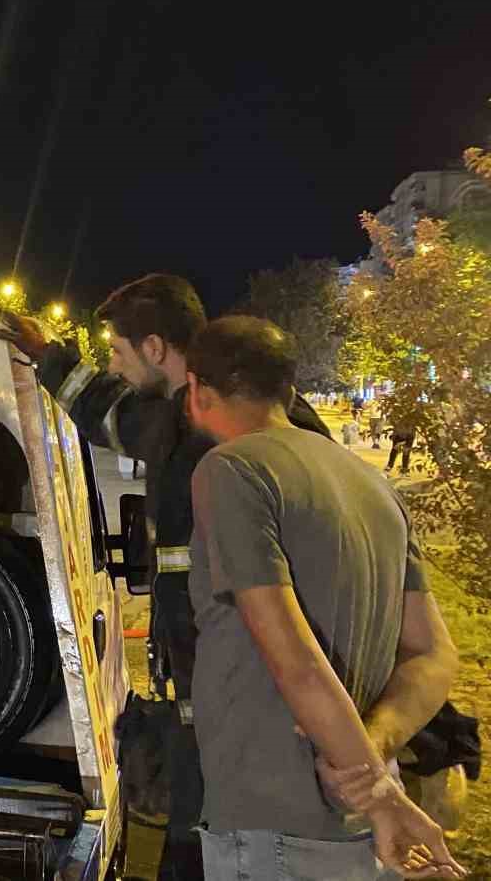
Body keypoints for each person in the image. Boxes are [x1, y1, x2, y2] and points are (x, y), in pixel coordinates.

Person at [0, 274, 330, 879]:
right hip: (212, 694)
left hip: (251, 700)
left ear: (155, 348)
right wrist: (44, 354)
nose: (114, 366)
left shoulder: (227, 432)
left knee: (227, 847)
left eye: (118, 352)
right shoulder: (191, 416)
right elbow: (112, 412)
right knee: (195, 838)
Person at [183, 316, 464, 879]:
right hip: (356, 817)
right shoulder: (371, 484)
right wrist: (373, 763)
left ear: (197, 390)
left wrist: (378, 793)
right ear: (288, 389)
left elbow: (295, 660)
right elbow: (435, 656)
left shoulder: (232, 469)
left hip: (273, 818)